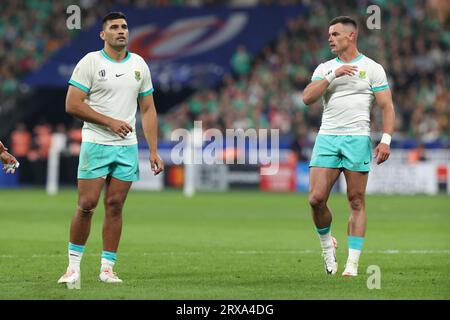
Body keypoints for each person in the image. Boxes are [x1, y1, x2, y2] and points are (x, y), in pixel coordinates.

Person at [58, 12, 164, 289]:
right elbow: (72, 104)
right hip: (96, 142)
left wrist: (153, 149)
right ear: (102, 34)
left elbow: (148, 108)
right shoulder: (90, 62)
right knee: (87, 204)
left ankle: (107, 268)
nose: (121, 31)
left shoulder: (139, 65)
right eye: (114, 27)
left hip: (126, 148)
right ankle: (72, 268)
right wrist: (109, 122)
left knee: (115, 205)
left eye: (125, 27)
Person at [302, 16, 395, 276]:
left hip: (357, 139)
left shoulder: (372, 68)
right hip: (328, 138)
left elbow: (387, 106)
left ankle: (352, 265)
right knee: (315, 199)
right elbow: (307, 98)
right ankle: (326, 247)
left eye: (335, 34)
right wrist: (333, 75)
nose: (330, 38)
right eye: (329, 34)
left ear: (351, 36)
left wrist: (385, 140)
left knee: (356, 200)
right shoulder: (324, 68)